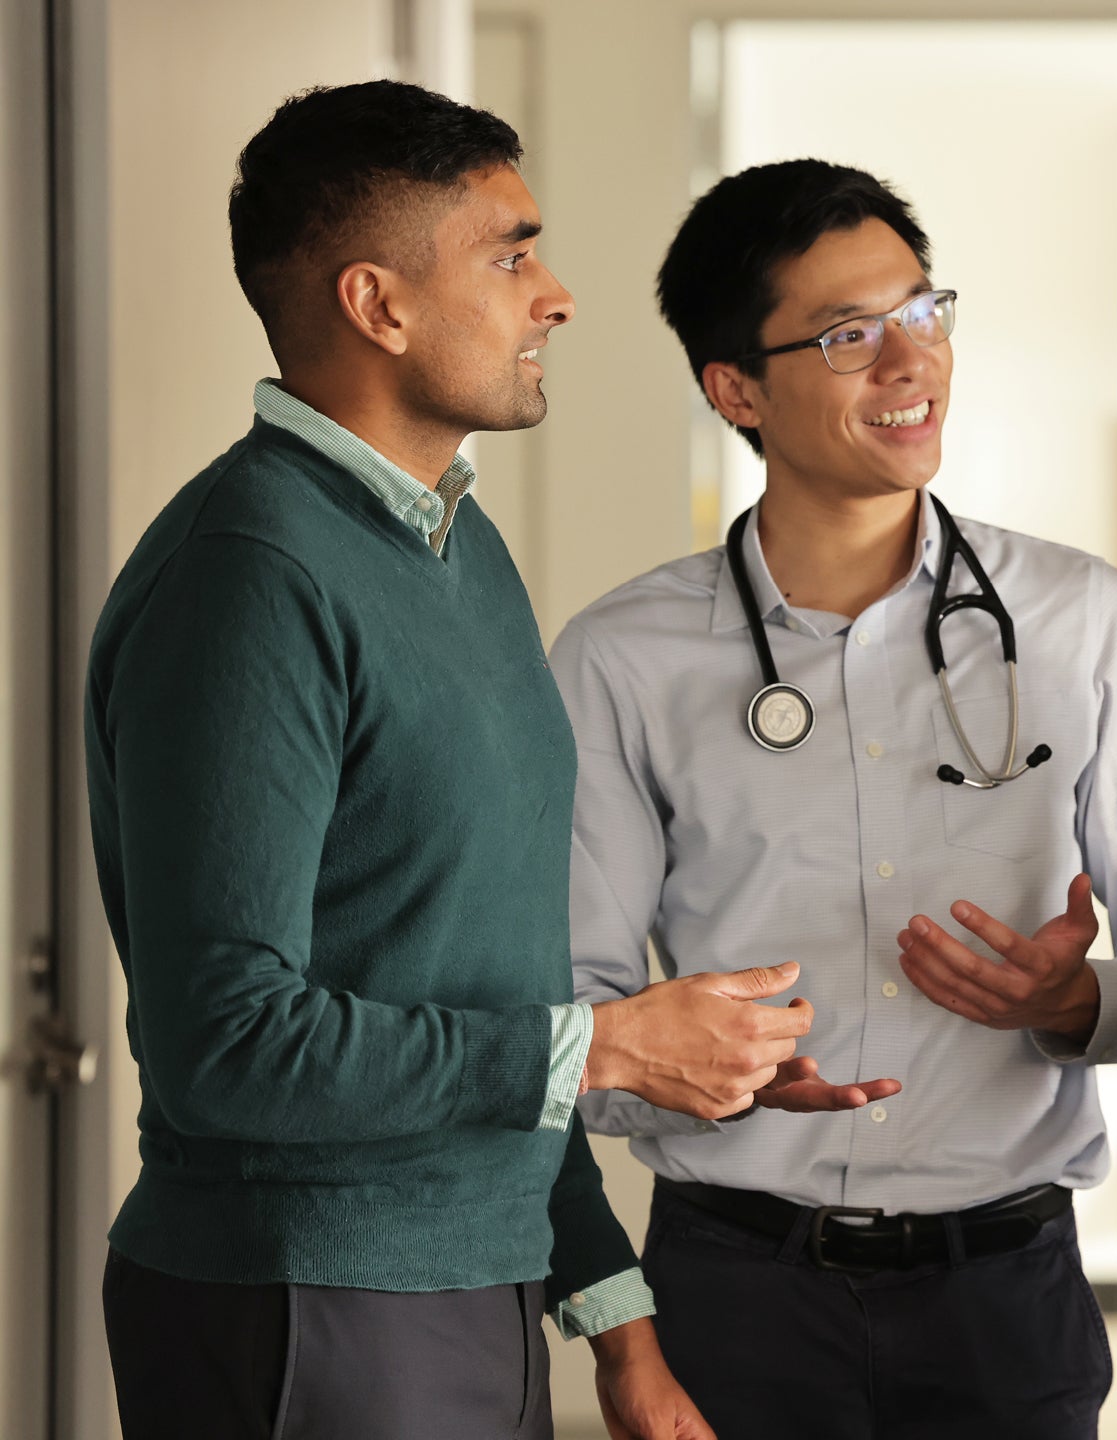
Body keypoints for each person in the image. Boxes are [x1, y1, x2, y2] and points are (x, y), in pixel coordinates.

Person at [85, 81, 810, 1440]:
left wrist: (613, 1315)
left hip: (478, 1289)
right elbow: (226, 1045)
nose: (558, 296)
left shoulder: (451, 544)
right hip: (310, 1301)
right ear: (380, 304)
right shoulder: (249, 577)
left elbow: (494, 988)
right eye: (512, 253)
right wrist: (612, 1048)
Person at [551, 158, 1117, 1439]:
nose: (909, 362)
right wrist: (699, 1074)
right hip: (733, 1293)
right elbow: (571, 1018)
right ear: (735, 389)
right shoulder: (620, 660)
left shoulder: (1082, 621)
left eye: (923, 312)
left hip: (1007, 1299)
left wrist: (1080, 999)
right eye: (848, 335)